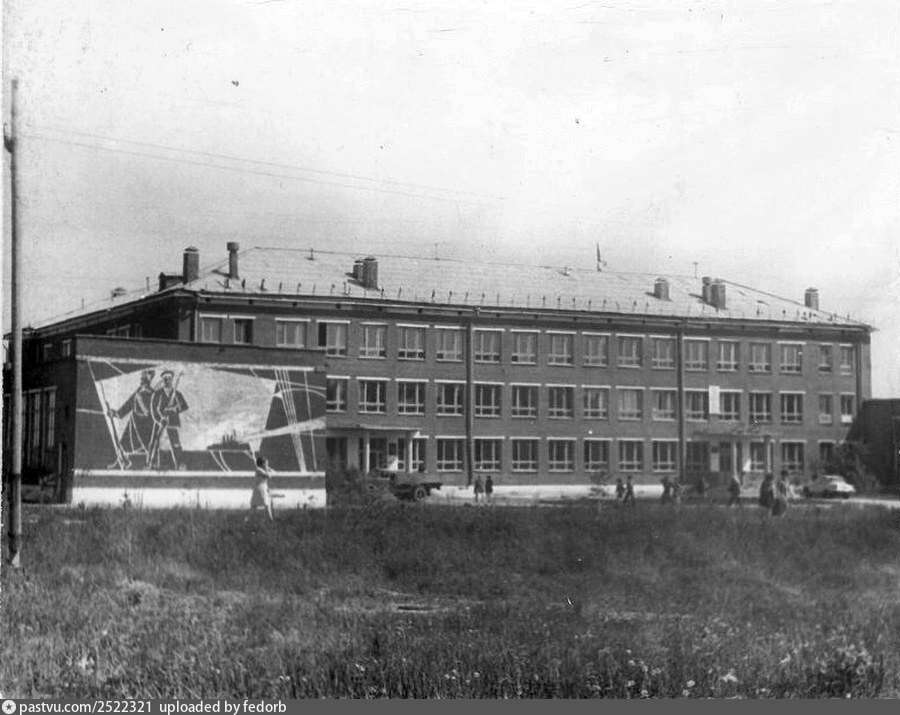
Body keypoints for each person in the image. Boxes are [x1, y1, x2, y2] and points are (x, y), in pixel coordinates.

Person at [107, 369, 156, 468]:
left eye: (144, 376)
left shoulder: (153, 394)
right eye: (142, 376)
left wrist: (140, 401)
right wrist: (116, 413)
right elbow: (129, 404)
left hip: (146, 425)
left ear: (150, 378)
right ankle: (122, 461)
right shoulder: (138, 391)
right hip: (134, 423)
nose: (142, 378)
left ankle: (151, 464)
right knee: (123, 444)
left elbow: (149, 412)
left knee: (148, 446)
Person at [148, 369, 189, 470]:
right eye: (166, 379)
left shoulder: (177, 394)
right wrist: (160, 419)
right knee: (155, 442)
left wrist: (175, 409)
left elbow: (184, 406)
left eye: (170, 379)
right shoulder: (158, 394)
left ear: (172, 380)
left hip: (172, 422)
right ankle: (151, 463)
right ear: (163, 380)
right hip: (160, 423)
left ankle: (180, 463)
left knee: (175, 443)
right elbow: (154, 409)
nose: (168, 381)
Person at [247, 455, 274, 522]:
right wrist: (268, 469)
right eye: (266, 464)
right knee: (257, 506)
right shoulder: (259, 470)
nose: (267, 465)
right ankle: (270, 520)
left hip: (262, 489)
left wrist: (268, 468)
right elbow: (268, 476)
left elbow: (266, 479)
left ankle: (270, 520)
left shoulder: (261, 470)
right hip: (260, 490)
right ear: (263, 464)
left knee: (263, 505)